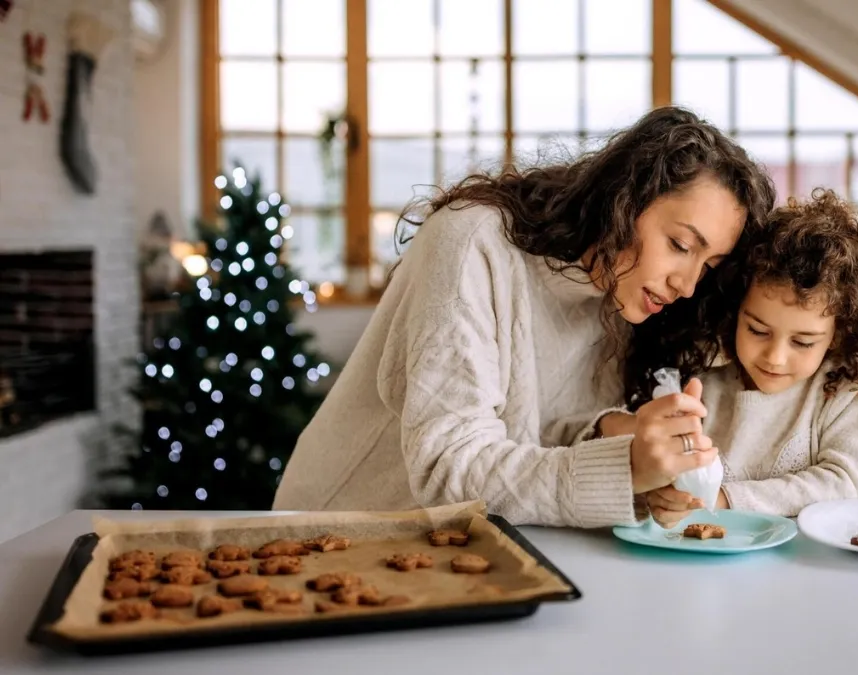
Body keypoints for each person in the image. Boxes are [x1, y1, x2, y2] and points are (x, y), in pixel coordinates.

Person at [272, 106, 777, 528]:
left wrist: (635, 452)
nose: (686, 284)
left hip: (468, 547)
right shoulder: (472, 242)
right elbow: (449, 466)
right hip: (337, 529)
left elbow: (549, 432)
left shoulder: (623, 293)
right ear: (624, 199)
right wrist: (624, 468)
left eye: (707, 264)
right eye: (680, 245)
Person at [609, 190, 858, 526]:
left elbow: (843, 484)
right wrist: (661, 492)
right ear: (734, 312)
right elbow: (657, 458)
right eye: (758, 331)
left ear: (839, 335)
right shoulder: (702, 371)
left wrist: (725, 499)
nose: (775, 358)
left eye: (803, 342)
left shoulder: (844, 387)